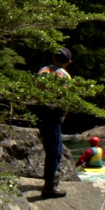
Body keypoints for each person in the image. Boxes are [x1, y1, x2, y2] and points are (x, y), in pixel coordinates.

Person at [36, 47, 72, 198]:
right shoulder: (64, 75)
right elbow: (65, 98)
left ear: (53, 58)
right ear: (69, 62)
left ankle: (50, 180)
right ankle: (49, 186)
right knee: (55, 150)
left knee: (50, 147)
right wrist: (63, 113)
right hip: (53, 112)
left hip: (39, 110)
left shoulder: (42, 71)